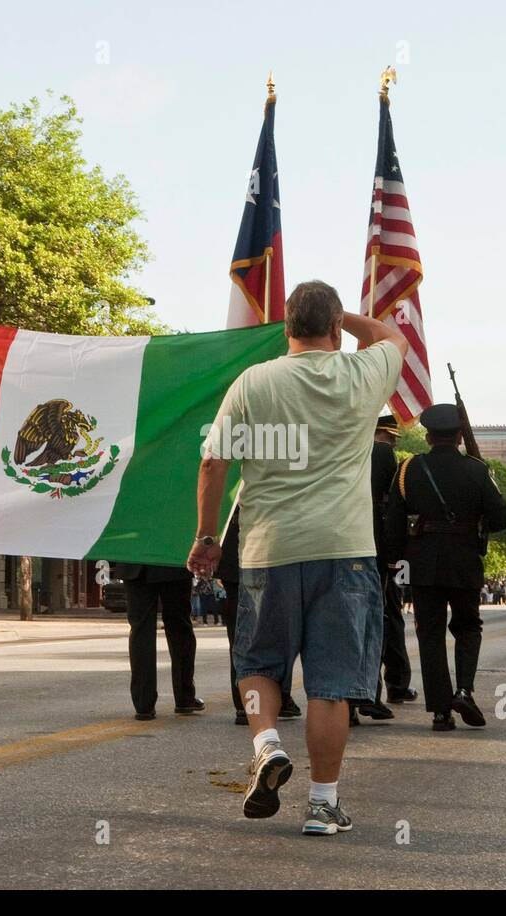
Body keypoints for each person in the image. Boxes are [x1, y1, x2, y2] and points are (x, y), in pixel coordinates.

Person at [188, 280, 407, 836]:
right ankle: (323, 804)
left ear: (286, 329)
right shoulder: (361, 375)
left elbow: (213, 463)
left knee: (258, 664)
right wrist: (343, 317)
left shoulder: (252, 382)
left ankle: (265, 745)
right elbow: (388, 336)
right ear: (335, 329)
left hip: (268, 548)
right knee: (331, 685)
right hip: (345, 551)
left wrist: (207, 537)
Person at [383, 403, 506, 732]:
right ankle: (464, 690)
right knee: (468, 627)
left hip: (424, 562)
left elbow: (394, 519)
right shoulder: (477, 470)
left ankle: (441, 711)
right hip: (465, 560)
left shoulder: (409, 469)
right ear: (459, 436)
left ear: (427, 436)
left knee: (431, 635)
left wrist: (393, 558)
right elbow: (501, 519)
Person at [352, 413, 415, 725]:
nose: (391, 444)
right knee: (373, 624)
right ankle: (367, 695)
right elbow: (394, 508)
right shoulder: (381, 455)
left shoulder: (343, 449)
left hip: (337, 545)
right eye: (389, 438)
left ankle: (346, 701)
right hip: (371, 549)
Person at [217, 506, 300, 726]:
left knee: (239, 632)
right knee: (279, 628)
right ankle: (278, 696)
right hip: (270, 547)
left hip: (237, 551)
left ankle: (244, 704)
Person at [115, 563, 204, 719]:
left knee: (141, 629)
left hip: (136, 562)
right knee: (179, 628)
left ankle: (143, 704)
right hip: (172, 562)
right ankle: (184, 697)